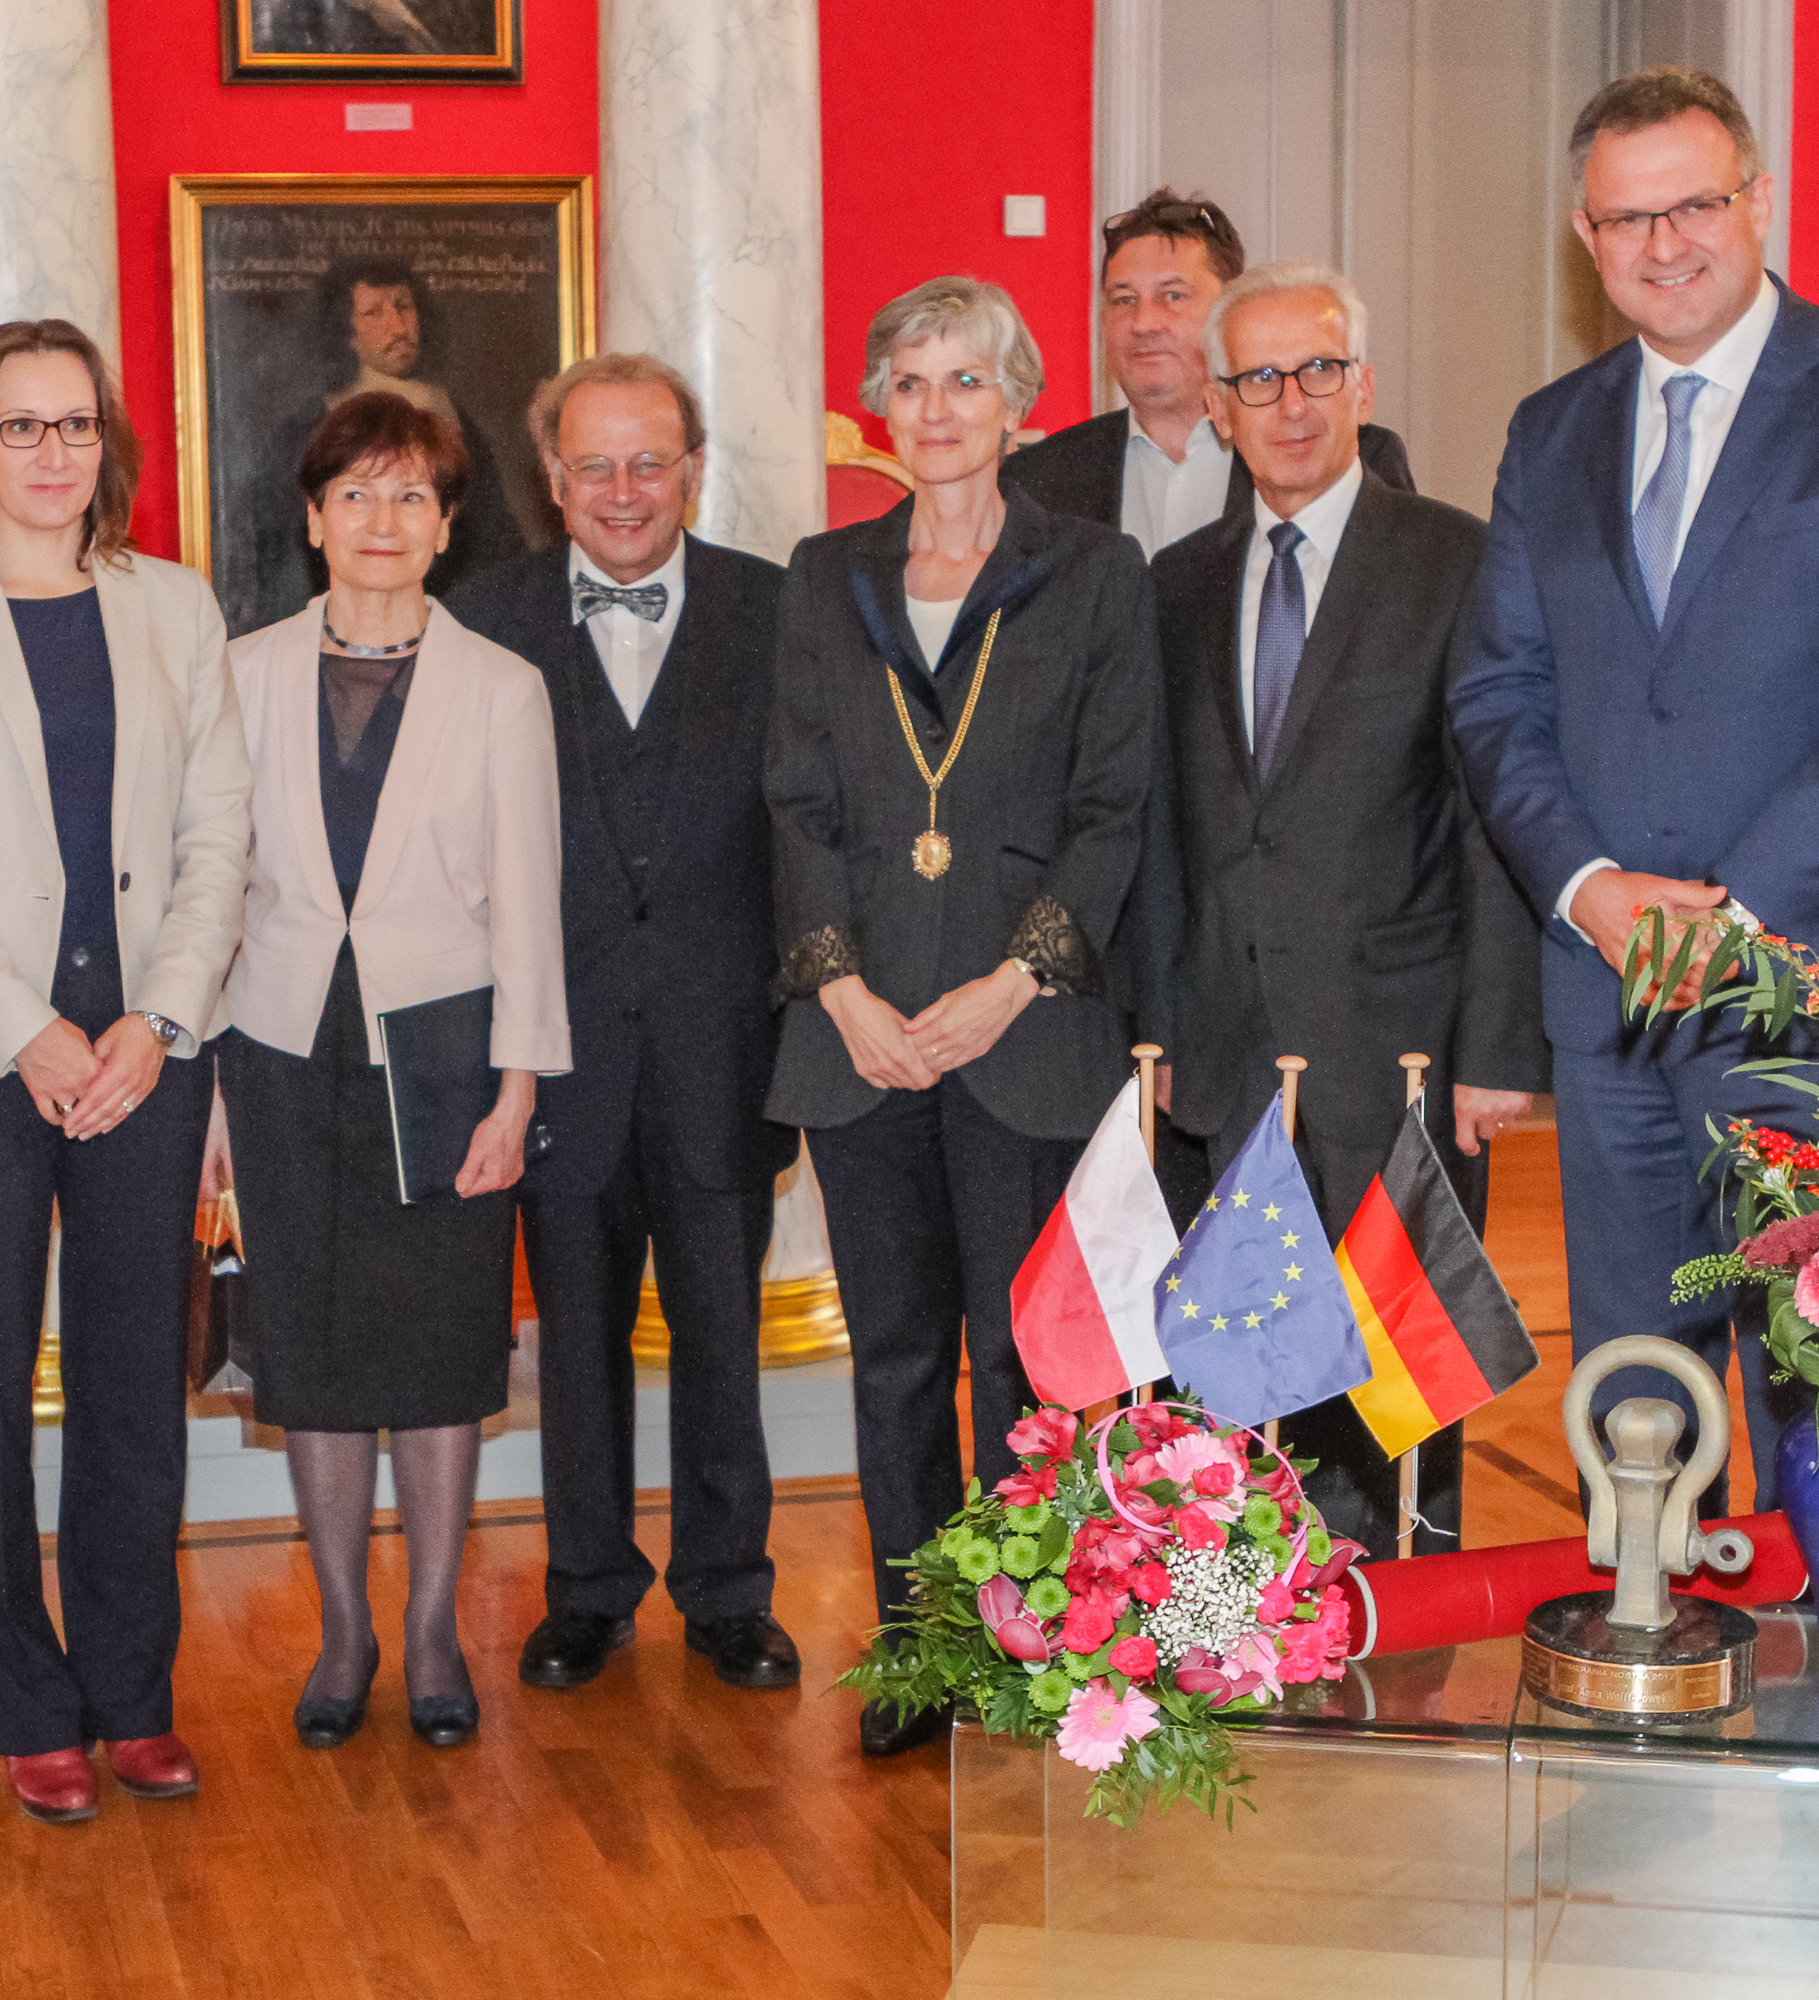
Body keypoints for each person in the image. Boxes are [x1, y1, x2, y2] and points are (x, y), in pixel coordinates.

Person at [1448, 66, 1819, 1510]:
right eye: (1627, 218)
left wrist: (1730, 908)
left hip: (1815, 983)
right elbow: (1496, 692)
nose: (1663, 242)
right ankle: (1656, 1666)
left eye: (1693, 203)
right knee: (1636, 1389)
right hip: (1610, 991)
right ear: (1584, 235)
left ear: (1755, 200)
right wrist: (1587, 892)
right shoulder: (1548, 431)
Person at [0, 321, 252, 1824]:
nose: (49, 453)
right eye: (18, 427)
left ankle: (131, 1696)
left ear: (108, 448)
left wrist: (158, 1019)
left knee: (142, 1382)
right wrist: (26, 1026)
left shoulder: (173, 608)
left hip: (147, 1051)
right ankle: (24, 1702)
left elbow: (219, 837)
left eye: (74, 426)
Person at [767, 276, 1161, 1758]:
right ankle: (921, 1650)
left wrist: (1010, 985)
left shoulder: (1097, 571)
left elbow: (1115, 808)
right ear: (881, 409)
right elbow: (794, 803)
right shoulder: (825, 573)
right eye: (909, 382)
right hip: (859, 1041)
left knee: (1024, 1370)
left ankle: (1031, 1656)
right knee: (893, 1360)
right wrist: (847, 991)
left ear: (1020, 406)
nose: (935, 410)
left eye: (965, 382)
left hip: (1028, 1038)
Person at [1145, 261, 1544, 1558]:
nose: (1292, 402)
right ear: (1216, 406)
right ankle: (1248, 1643)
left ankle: (1403, 1655)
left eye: (1318, 370)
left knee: (1391, 1394)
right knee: (1239, 1389)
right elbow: (1163, 830)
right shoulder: (1177, 585)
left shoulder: (1457, 562)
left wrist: (1496, 1055)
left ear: (1362, 385)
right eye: (1258, 379)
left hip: (1399, 1060)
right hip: (1217, 1062)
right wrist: (1145, 1042)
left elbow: (1495, 822)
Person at [213, 390, 567, 1751]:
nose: (381, 520)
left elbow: (531, 906)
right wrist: (207, 1103)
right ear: (312, 520)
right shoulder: (236, 677)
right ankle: (341, 1628)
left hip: (444, 1055)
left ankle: (426, 1629)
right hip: (281, 1048)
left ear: (446, 526)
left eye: (411, 495)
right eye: (354, 494)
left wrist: (519, 1090)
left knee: (432, 1354)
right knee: (306, 1352)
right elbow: (211, 895)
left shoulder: (502, 689)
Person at [450, 355, 802, 1695]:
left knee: (724, 1342)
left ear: (692, 470)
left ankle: (728, 1593)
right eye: (591, 465)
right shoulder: (479, 622)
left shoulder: (777, 614)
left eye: (647, 461)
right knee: (577, 1350)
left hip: (728, 1052)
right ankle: (587, 1590)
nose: (621, 491)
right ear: (551, 480)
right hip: (558, 1058)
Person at [1001, 187, 1413, 555]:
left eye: (1173, 295)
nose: (1144, 323)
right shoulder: (1038, 479)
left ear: (1228, 312)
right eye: (1123, 300)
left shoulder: (1352, 455)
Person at [238, 257, 528, 629]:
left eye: (404, 307)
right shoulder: (307, 429)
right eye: (373, 313)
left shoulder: (453, 418)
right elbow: (280, 560)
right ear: (346, 332)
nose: (398, 327)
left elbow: (495, 538)